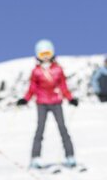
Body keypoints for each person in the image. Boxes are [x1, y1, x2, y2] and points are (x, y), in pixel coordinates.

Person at [16, 39, 79, 169]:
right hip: (42, 103)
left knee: (62, 128)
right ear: (38, 55)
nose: (45, 57)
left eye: (47, 53)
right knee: (40, 129)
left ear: (52, 53)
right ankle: (35, 159)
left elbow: (63, 86)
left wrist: (70, 98)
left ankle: (70, 156)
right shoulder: (36, 71)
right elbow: (32, 88)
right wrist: (26, 99)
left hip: (56, 102)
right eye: (42, 54)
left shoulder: (58, 69)